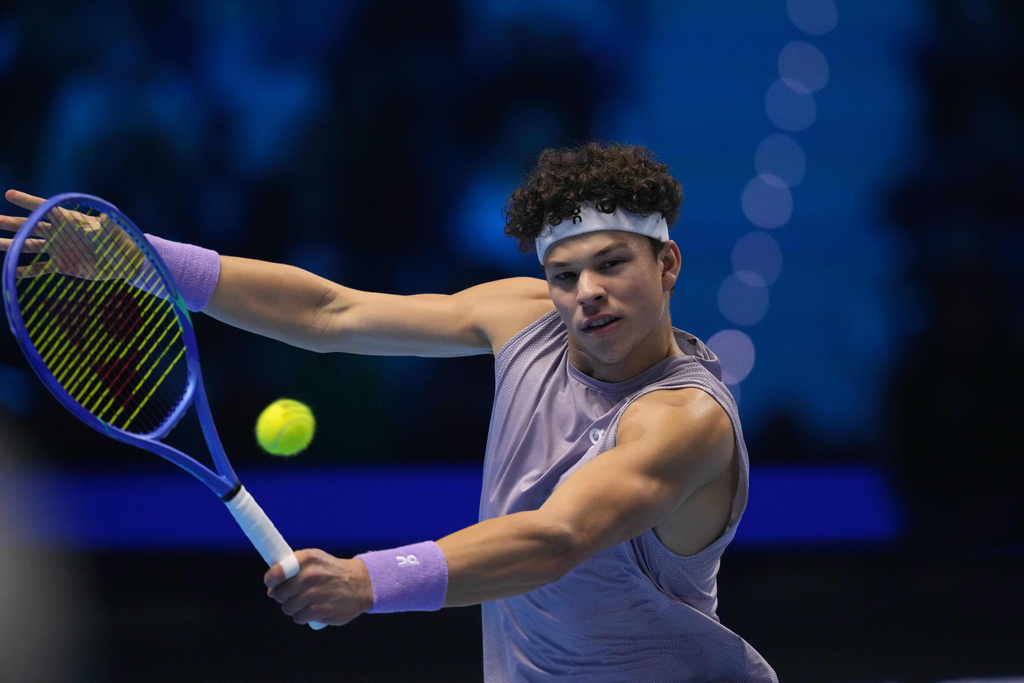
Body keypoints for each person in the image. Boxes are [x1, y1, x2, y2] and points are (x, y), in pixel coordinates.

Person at [1, 142, 777, 681]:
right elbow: (329, 312)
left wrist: (367, 579)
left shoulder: (683, 421)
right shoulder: (524, 319)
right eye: (564, 274)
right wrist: (145, 261)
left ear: (667, 263)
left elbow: (555, 538)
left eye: (612, 264)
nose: (587, 293)